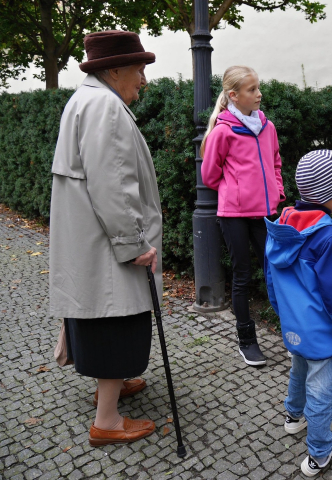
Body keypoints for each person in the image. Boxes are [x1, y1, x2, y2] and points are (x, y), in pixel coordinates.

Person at [49, 30, 161, 447]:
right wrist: (135, 245)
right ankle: (108, 420)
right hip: (108, 244)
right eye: (138, 70)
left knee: (104, 316)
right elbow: (113, 185)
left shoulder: (87, 100)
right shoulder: (104, 107)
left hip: (92, 240)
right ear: (114, 70)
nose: (144, 80)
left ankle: (110, 387)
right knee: (117, 319)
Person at [264, 150, 332, 477]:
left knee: (298, 370)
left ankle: (293, 418)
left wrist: (282, 314)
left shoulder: (282, 224)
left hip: (293, 326)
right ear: (327, 194)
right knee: (321, 390)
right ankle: (320, 452)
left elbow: (272, 278)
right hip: (321, 332)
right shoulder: (328, 236)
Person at [201, 66, 285, 367]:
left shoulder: (268, 127)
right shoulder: (223, 131)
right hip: (234, 214)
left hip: (265, 212)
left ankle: (293, 333)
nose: (259, 93)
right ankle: (247, 341)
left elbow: (275, 162)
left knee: (278, 271)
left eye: (258, 87)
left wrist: (276, 191)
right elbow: (210, 175)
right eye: (252, 89)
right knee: (243, 275)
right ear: (234, 96)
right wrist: (235, 190)